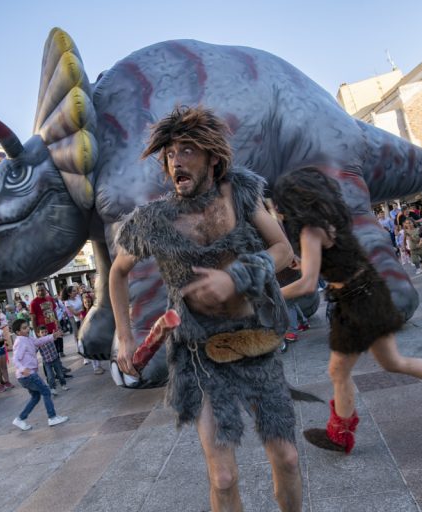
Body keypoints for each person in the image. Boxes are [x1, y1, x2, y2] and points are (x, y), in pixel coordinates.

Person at [111, 106, 301, 511]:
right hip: (199, 357)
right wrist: (124, 335)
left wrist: (238, 276)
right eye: (169, 155)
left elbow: (283, 249)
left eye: (186, 150)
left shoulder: (241, 194)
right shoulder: (153, 220)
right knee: (223, 477)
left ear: (213, 158)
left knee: (287, 458)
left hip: (255, 342)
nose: (175, 161)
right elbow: (117, 273)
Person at [273, 168, 422, 455]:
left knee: (341, 370)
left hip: (357, 302)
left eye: (279, 202)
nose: (277, 208)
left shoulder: (309, 230)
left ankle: (340, 435)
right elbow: (329, 260)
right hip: (366, 292)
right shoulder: (327, 220)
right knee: (391, 362)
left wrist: (270, 296)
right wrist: (306, 262)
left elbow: (307, 284)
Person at [11, 319, 68, 431]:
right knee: (46, 391)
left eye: (27, 326)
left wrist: (53, 336)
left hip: (25, 376)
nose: (27, 329)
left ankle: (20, 419)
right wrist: (23, 369)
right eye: (24, 328)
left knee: (36, 397)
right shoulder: (20, 341)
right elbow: (15, 359)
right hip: (28, 375)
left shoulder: (27, 339)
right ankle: (52, 417)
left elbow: (38, 341)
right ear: (18, 332)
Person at [30, 283, 64, 357]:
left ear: (46, 290)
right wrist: (36, 332)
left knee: (56, 347)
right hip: (44, 330)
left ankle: (59, 366)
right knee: (48, 352)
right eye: (39, 290)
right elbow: (33, 318)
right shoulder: (33, 302)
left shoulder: (50, 298)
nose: (41, 292)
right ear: (36, 292)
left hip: (53, 327)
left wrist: (57, 323)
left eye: (42, 290)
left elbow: (54, 311)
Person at [35, 325, 67, 394]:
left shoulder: (50, 337)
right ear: (38, 334)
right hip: (47, 362)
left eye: (45, 332)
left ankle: (63, 384)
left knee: (60, 373)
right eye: (42, 332)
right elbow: (35, 350)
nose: (44, 333)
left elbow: (56, 336)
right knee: (50, 376)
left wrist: (58, 334)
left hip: (55, 359)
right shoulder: (39, 342)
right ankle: (52, 388)